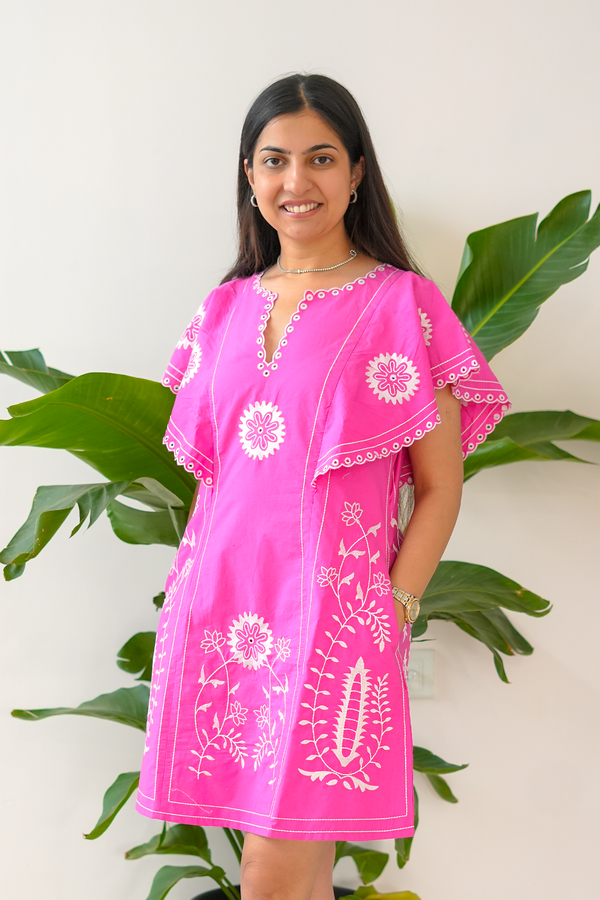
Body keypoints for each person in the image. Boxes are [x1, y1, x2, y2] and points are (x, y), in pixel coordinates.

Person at [136, 73, 510, 900]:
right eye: (274, 160)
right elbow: (217, 482)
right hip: (221, 612)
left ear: (356, 173)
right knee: (285, 874)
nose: (294, 182)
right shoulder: (221, 311)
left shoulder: (401, 306)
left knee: (275, 871)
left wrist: (394, 609)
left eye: (320, 158)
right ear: (249, 174)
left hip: (329, 622)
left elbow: (440, 487)